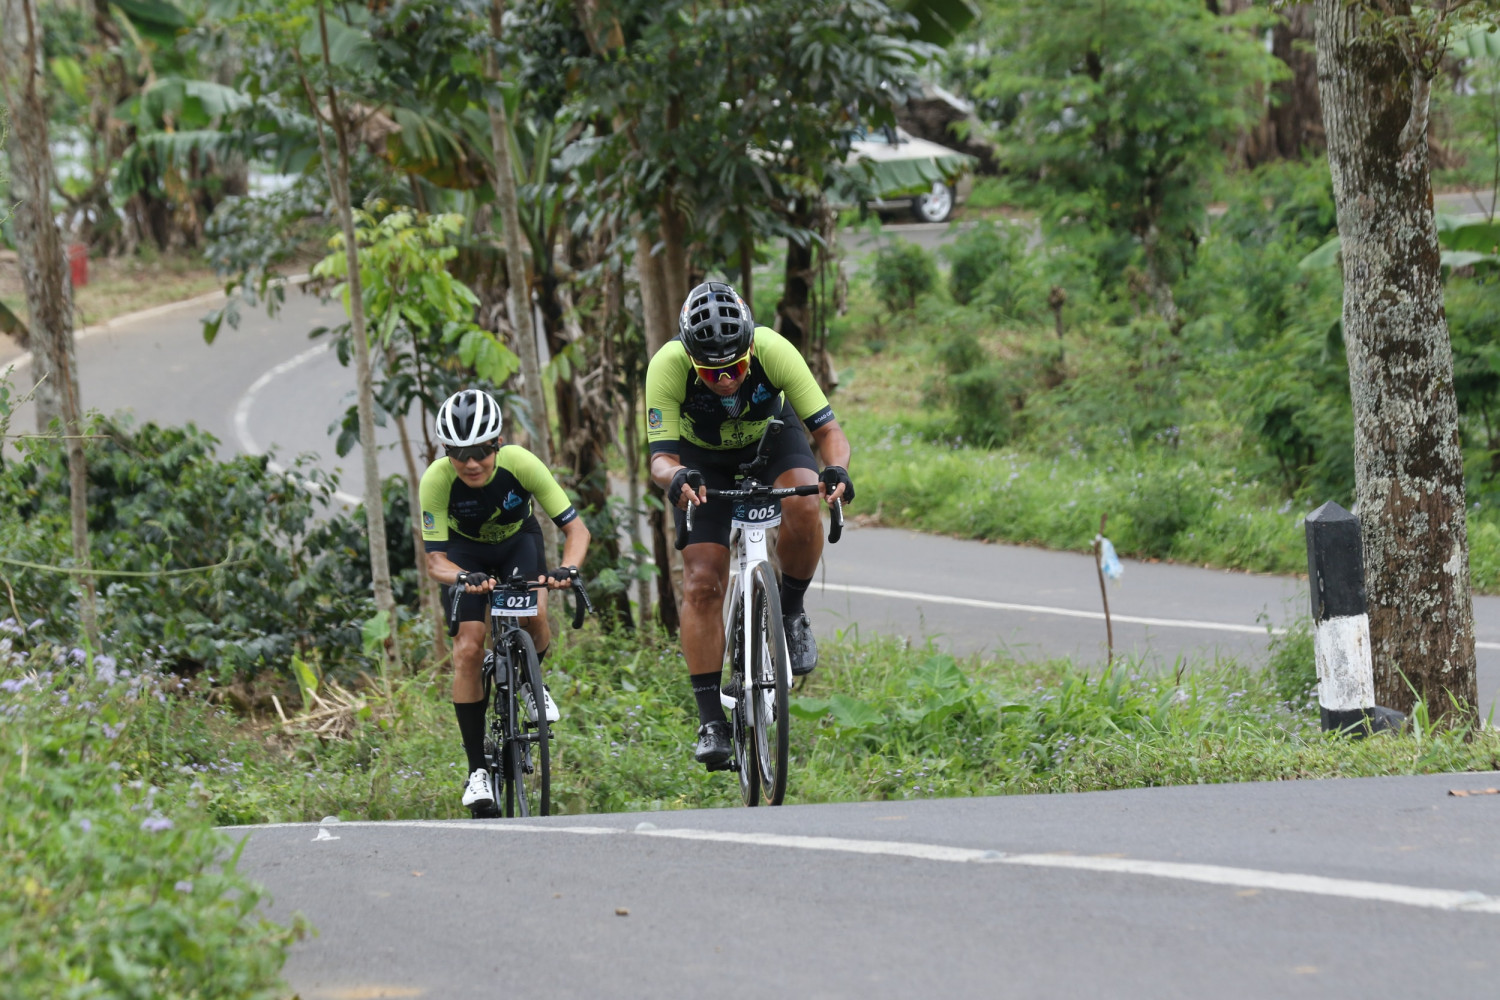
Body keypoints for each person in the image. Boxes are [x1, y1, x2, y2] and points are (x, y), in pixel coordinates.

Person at [646, 280, 854, 769]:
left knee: (805, 504)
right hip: (702, 461)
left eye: (736, 367)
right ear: (690, 358)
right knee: (701, 582)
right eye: (711, 372)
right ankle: (710, 721)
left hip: (770, 441)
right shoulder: (667, 366)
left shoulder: (773, 349)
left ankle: (792, 614)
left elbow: (828, 430)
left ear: (750, 349)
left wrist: (837, 470)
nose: (725, 379)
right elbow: (661, 459)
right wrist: (676, 477)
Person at [419, 388, 590, 817]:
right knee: (468, 649)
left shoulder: (522, 464)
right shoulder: (437, 480)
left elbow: (577, 531)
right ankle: (477, 772)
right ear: (446, 452)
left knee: (535, 612)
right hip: (465, 555)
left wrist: (568, 569)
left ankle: (531, 682)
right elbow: (435, 561)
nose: (471, 463)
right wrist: (462, 577)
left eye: (480, 451)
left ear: (497, 443)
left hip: (517, 543)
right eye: (459, 453)